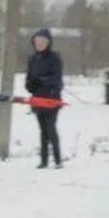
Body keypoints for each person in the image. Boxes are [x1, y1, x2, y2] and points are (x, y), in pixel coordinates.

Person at [24, 28, 65, 169]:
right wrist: (30, 85)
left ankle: (58, 159)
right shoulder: (32, 59)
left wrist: (42, 81)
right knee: (42, 130)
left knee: (51, 128)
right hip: (37, 100)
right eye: (37, 41)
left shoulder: (55, 57)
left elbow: (57, 79)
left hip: (52, 99)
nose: (40, 44)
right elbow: (29, 78)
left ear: (48, 42)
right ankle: (44, 160)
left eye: (43, 41)